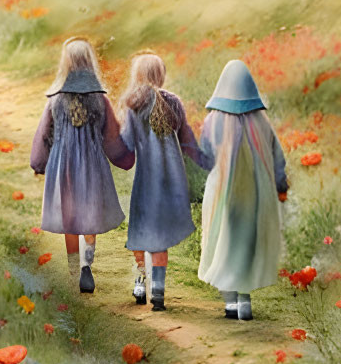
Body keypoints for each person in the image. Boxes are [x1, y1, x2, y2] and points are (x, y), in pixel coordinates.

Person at [30, 37, 134, 293]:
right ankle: (88, 264)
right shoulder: (100, 99)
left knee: (70, 218)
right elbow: (111, 137)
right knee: (89, 214)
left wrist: (39, 162)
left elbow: (45, 134)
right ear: (90, 62)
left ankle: (73, 270)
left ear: (65, 63)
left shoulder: (55, 99)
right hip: (92, 165)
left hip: (63, 165)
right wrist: (122, 157)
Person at [118, 53, 211, 311]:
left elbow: (125, 145)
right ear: (161, 75)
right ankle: (158, 293)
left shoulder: (133, 104)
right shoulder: (174, 103)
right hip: (171, 183)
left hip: (146, 181)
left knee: (140, 232)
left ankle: (140, 282)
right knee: (160, 237)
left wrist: (110, 149)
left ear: (137, 75)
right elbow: (189, 143)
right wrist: (210, 164)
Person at [197, 60, 289, 321]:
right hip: (257, 194)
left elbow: (205, 156)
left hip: (222, 193)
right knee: (246, 243)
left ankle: (230, 304)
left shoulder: (213, 120)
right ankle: (244, 299)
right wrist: (281, 186)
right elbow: (278, 159)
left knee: (222, 243)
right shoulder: (261, 121)